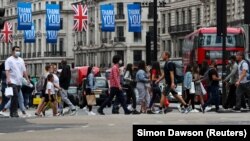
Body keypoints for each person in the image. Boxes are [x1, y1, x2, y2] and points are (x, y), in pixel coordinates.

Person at [5, 46, 30, 117]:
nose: (18, 52)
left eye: (19, 50)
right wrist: (8, 78)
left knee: (14, 97)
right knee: (15, 96)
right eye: (16, 50)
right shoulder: (9, 60)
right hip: (12, 81)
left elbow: (24, 71)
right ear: (12, 51)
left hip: (19, 81)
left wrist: (27, 79)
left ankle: (11, 112)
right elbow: (7, 70)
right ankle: (15, 112)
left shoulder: (21, 60)